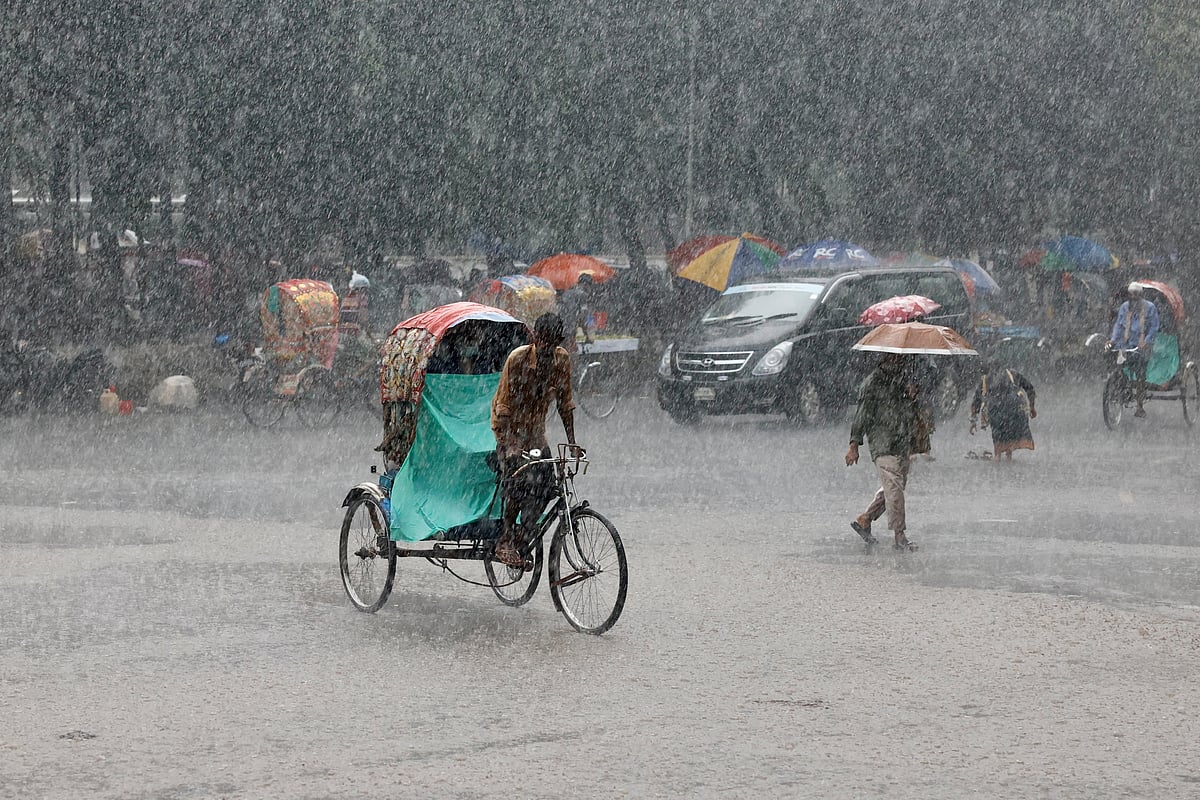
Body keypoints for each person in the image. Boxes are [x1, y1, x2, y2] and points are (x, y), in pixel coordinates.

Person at [490, 313, 582, 567]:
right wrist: (510, 444)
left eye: (553, 344)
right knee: (517, 481)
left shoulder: (561, 360)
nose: (547, 349)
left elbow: (565, 403)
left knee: (548, 485)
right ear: (535, 337)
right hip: (508, 429)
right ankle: (506, 539)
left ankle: (527, 529)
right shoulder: (517, 359)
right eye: (544, 342)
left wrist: (572, 441)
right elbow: (504, 406)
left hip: (535, 434)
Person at [845, 353, 921, 551]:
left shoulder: (902, 379)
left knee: (895, 486)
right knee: (894, 488)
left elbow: (906, 410)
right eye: (896, 358)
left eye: (903, 359)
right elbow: (862, 414)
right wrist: (854, 444)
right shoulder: (871, 384)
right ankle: (900, 536)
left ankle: (865, 518)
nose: (900, 362)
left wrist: (911, 396)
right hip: (883, 442)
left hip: (901, 441)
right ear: (886, 359)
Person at [1108, 282, 1160, 417]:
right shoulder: (1124, 307)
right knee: (1116, 364)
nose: (1133, 297)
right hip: (1126, 345)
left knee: (1140, 375)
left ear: (1141, 295)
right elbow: (1119, 325)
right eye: (1130, 294)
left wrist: (1147, 341)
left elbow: (1154, 327)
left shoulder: (1150, 308)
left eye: (1135, 294)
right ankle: (1120, 388)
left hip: (1142, 346)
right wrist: (1113, 340)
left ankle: (1140, 406)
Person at [969, 362, 1037, 461]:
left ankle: (998, 458)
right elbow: (1030, 388)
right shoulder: (1013, 374)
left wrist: (973, 422)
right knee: (1010, 434)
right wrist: (1032, 407)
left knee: (998, 437)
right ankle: (1008, 457)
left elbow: (976, 402)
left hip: (996, 411)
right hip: (1015, 409)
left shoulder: (986, 380)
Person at [558, 273, 594, 344]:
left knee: (564, 339)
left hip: (562, 319)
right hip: (570, 321)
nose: (590, 288)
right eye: (590, 285)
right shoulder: (583, 294)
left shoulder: (569, 291)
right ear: (585, 284)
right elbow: (583, 315)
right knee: (570, 341)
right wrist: (588, 335)